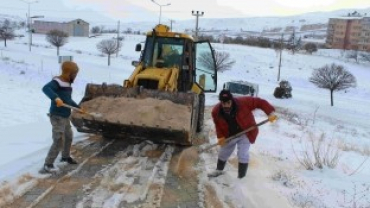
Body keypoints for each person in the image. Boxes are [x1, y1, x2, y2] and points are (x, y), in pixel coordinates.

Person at [208, 89, 277, 179]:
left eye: (228, 102)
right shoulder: (216, 111)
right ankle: (219, 170)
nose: (226, 105)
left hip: (246, 132)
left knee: (242, 154)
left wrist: (270, 113)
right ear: (220, 102)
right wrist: (220, 137)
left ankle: (241, 177)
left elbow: (260, 102)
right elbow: (218, 126)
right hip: (229, 135)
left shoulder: (243, 102)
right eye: (223, 103)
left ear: (231, 100)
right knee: (223, 152)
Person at [40, 61, 82, 173]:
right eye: (74, 74)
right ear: (68, 73)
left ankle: (65, 157)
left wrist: (77, 107)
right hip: (57, 116)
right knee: (58, 140)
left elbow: (67, 100)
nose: (75, 76)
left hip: (66, 115)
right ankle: (48, 164)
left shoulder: (67, 83)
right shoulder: (57, 82)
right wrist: (56, 98)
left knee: (69, 136)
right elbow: (45, 88)